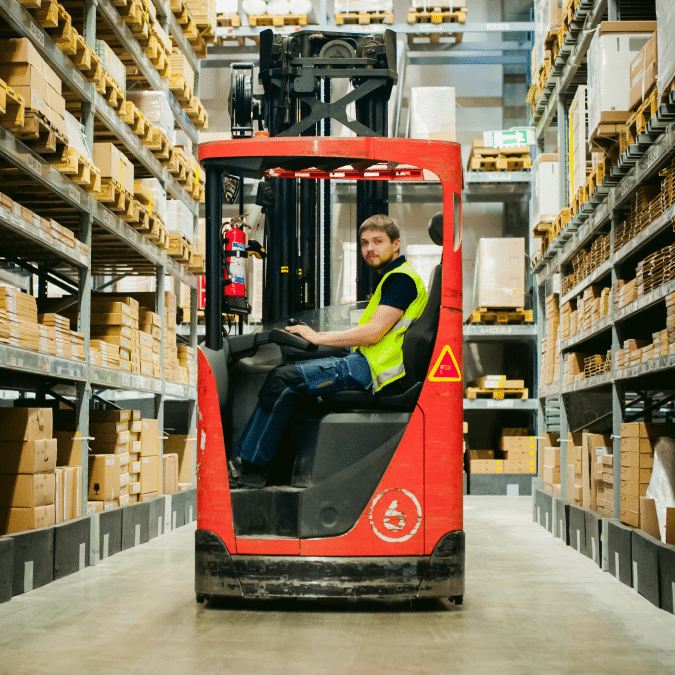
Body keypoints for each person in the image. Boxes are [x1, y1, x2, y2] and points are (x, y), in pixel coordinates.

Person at [228, 214, 429, 488]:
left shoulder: (400, 281)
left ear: (396, 244)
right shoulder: (394, 278)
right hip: (368, 362)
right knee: (290, 373)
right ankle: (262, 463)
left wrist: (318, 336)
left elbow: (374, 332)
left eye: (378, 241)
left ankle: (250, 469)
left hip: (372, 369)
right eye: (364, 243)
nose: (370, 248)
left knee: (283, 381)